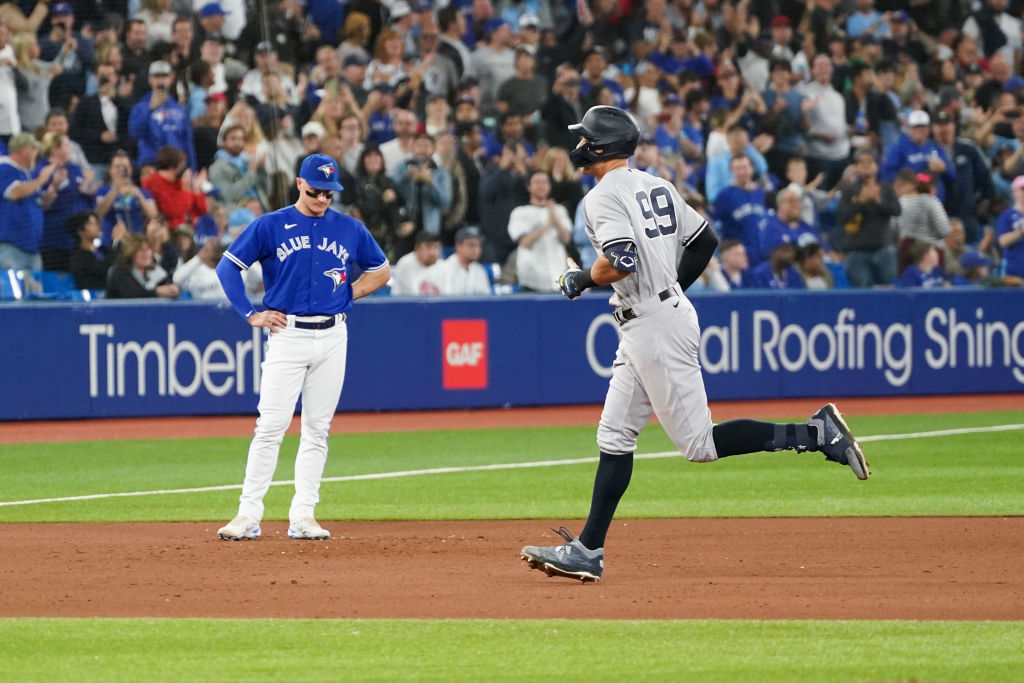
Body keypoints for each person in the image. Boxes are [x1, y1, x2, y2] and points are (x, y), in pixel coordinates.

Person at [519, 106, 869, 584]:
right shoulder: (656, 184)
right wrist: (673, 289)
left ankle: (815, 434)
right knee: (614, 436)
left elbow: (620, 260)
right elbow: (705, 240)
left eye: (585, 138)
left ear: (600, 148)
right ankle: (588, 550)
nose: (578, 144)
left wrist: (579, 278)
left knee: (700, 444)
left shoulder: (602, 197)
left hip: (653, 322)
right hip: (652, 317)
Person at [214, 153, 390, 542]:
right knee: (270, 427)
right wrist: (249, 313)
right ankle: (247, 515)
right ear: (299, 184)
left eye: (329, 193)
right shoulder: (270, 225)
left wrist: (349, 294)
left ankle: (303, 515)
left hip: (332, 335)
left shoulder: (349, 228)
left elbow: (381, 270)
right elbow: (227, 267)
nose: (322, 199)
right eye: (315, 191)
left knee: (317, 430)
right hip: (287, 334)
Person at [507, 171, 572, 292]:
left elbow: (566, 239)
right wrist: (546, 225)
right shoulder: (520, 212)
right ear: (529, 187)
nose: (541, 186)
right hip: (532, 277)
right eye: (537, 182)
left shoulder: (560, 210)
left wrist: (554, 217)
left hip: (558, 275)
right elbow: (525, 242)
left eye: (544, 182)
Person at [0, 133, 56, 271]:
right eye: (33, 149)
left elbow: (40, 204)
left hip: (32, 247)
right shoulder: (4, 168)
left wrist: (52, 189)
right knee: (12, 291)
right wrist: (42, 179)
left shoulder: (26, 174)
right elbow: (14, 193)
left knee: (36, 292)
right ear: (23, 149)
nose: (36, 154)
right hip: (11, 245)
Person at [105, 232, 180, 299]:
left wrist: (172, 289)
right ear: (131, 253)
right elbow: (132, 295)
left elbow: (167, 283)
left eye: (148, 250)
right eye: (141, 250)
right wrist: (156, 292)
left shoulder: (155, 271)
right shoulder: (119, 272)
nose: (146, 253)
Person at [436, 226, 491, 295]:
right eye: (471, 245)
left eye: (478, 245)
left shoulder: (479, 269)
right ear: (458, 246)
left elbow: (485, 299)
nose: (476, 250)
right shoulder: (446, 269)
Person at [390, 230, 443, 295]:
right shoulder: (406, 263)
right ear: (417, 248)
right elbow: (413, 295)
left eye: (436, 247)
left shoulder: (443, 265)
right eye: (428, 247)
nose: (432, 252)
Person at [67, 211, 110, 290]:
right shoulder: (78, 257)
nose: (98, 226)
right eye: (92, 223)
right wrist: (116, 243)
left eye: (97, 223)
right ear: (80, 231)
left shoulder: (103, 250)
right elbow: (104, 268)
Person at [995, 175, 1024, 279]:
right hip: (1015, 272)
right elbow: (1003, 241)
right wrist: (1020, 231)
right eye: (1022, 189)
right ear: (1013, 192)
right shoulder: (1007, 215)